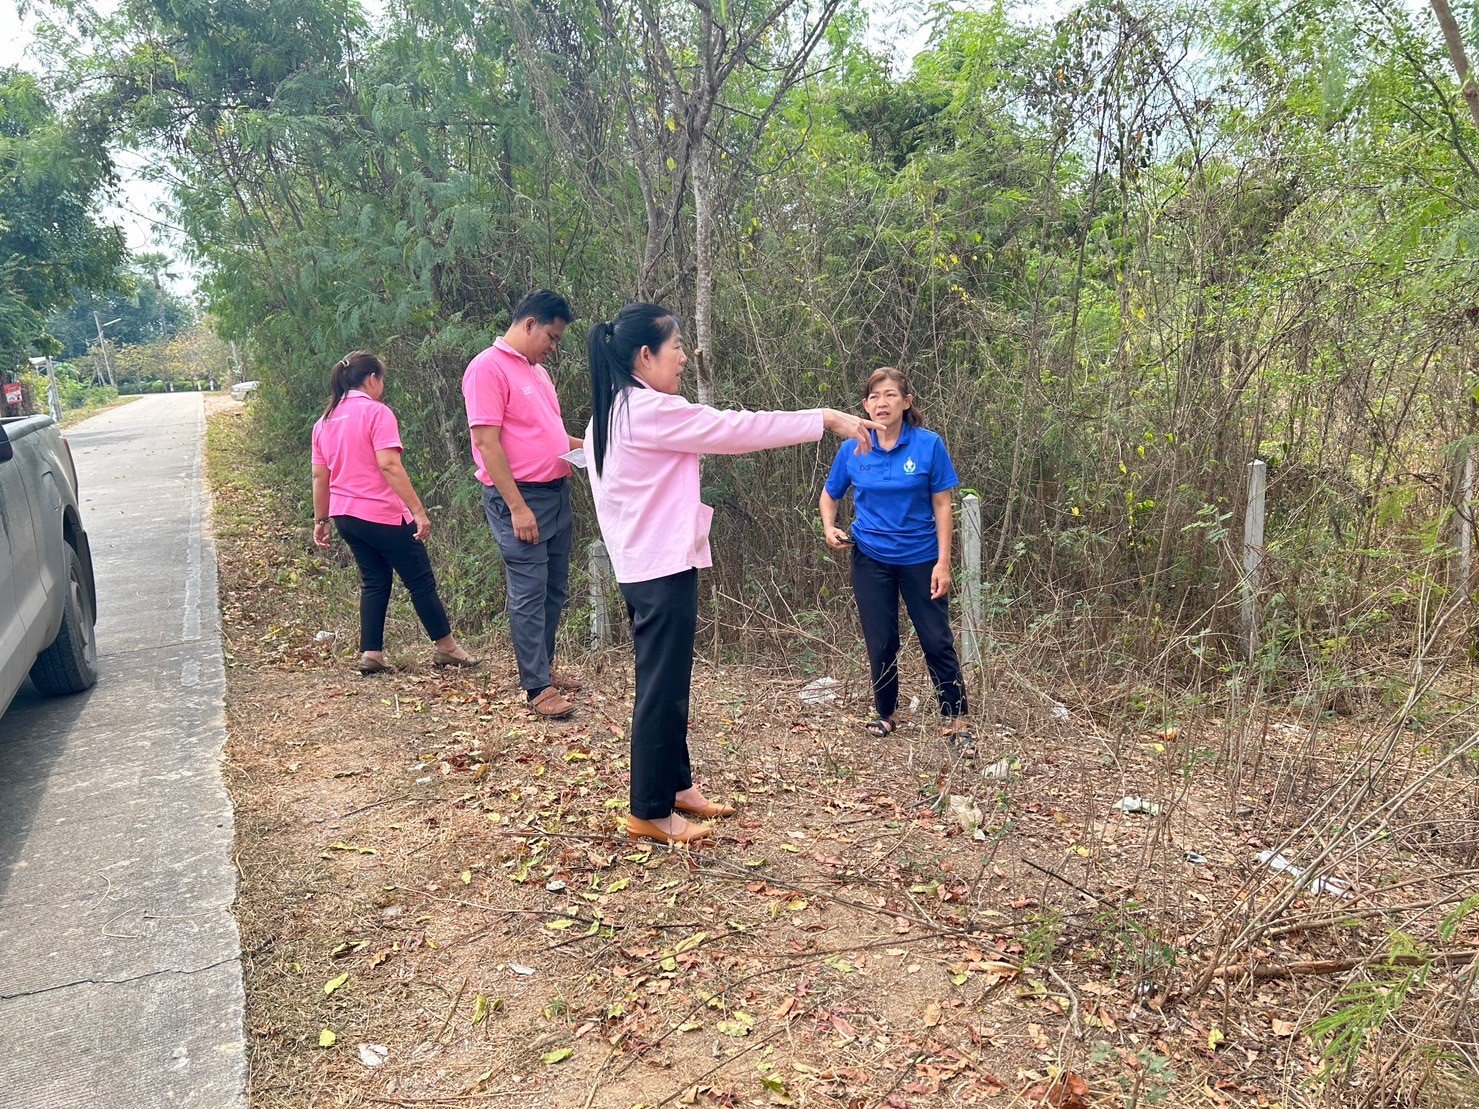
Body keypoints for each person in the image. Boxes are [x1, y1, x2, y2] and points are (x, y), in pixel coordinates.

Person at [585, 302, 881, 845]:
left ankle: (675, 787)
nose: (681, 360)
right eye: (676, 349)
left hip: (647, 562)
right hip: (658, 566)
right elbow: (734, 428)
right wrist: (824, 419)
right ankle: (648, 810)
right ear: (645, 355)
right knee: (660, 686)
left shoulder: (617, 409)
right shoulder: (650, 411)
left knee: (669, 681)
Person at [819, 367, 972, 753]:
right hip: (870, 558)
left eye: (889, 395)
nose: (880, 403)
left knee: (936, 640)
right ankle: (886, 713)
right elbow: (829, 494)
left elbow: (942, 504)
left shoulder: (928, 445)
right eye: (873, 396)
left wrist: (943, 562)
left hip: (921, 559)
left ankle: (956, 720)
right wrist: (829, 526)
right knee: (882, 640)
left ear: (907, 403)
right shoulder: (853, 447)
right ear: (864, 405)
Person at [311, 351, 479, 675]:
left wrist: (322, 520)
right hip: (382, 513)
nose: (382, 386)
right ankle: (447, 648)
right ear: (372, 379)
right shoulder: (377, 412)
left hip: (346, 516)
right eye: (381, 380)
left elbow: (320, 476)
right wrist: (419, 511)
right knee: (420, 580)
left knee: (374, 581)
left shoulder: (324, 421)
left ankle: (371, 652)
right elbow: (388, 464)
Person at [463, 290, 584, 718]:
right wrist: (517, 507)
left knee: (554, 588)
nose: (554, 347)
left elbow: (551, 436)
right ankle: (536, 686)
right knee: (529, 591)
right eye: (551, 337)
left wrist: (594, 448)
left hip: (556, 493)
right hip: (520, 497)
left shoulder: (538, 374)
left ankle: (544, 669)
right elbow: (486, 441)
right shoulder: (487, 369)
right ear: (529, 324)